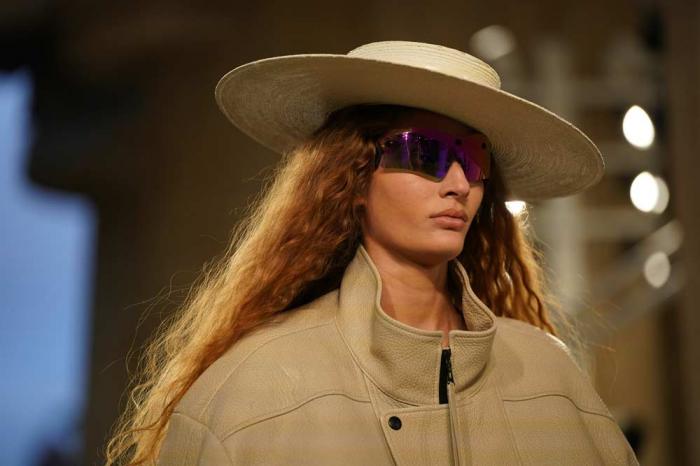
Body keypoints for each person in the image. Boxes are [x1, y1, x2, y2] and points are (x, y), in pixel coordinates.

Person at [105, 41, 639, 465]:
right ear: (353, 177)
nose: (458, 183)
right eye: (426, 153)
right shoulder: (251, 391)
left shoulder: (550, 378)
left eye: (474, 159)